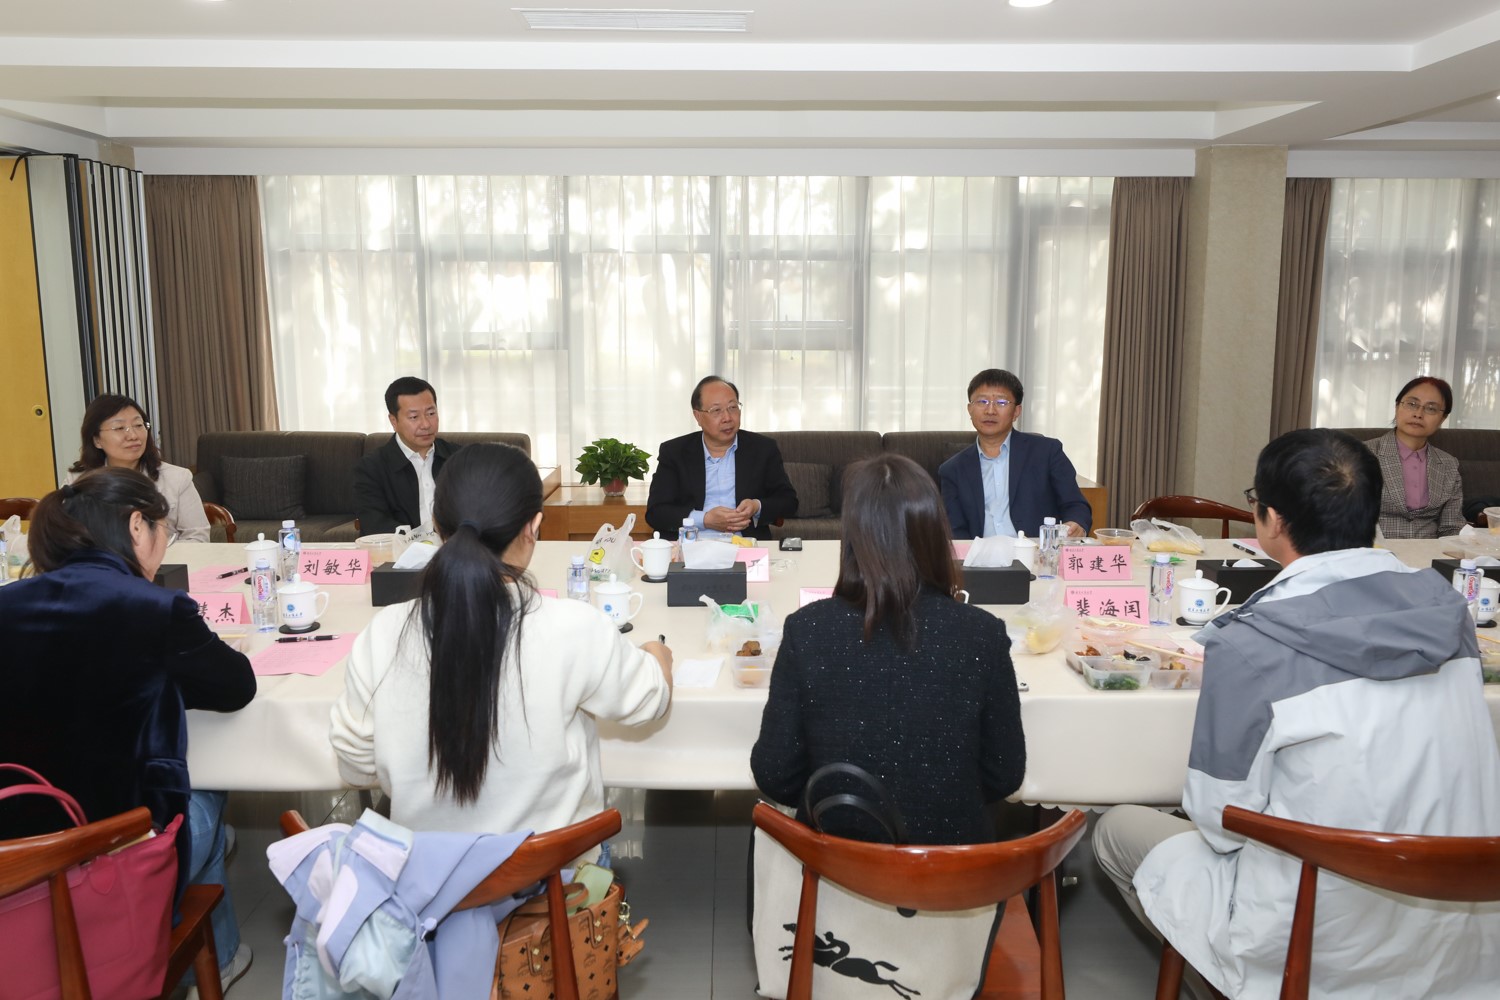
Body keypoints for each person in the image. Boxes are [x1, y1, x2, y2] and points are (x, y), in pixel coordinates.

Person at [1092, 428, 1500, 999]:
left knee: (1115, 830)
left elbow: (1219, 821)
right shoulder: (1450, 610)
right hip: (1459, 919)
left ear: (1272, 521)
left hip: (1313, 935)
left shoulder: (1250, 643)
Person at [331, 443, 673, 845]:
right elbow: (648, 702)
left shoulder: (385, 631)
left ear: (437, 526)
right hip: (554, 875)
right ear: (533, 526)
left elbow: (355, 767)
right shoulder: (574, 626)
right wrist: (658, 654)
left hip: (427, 876)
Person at [0, 469, 257, 992]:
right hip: (119, 854)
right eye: (165, 529)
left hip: (18, 857)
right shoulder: (155, 608)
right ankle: (215, 954)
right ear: (137, 526)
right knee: (209, 788)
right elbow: (236, 687)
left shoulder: (7, 603)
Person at [751, 454, 1025, 845]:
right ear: (935, 532)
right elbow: (1004, 775)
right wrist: (938, 802)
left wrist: (843, 806)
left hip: (838, 865)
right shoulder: (983, 633)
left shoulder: (807, 630)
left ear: (851, 535)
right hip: (955, 870)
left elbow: (776, 774)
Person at [938, 368, 1092, 540]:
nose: (990, 410)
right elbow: (955, 531)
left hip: (1037, 553)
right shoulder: (952, 470)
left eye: (1001, 402)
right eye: (982, 401)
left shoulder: (1047, 452)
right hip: (981, 555)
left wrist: (1076, 523)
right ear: (970, 409)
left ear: (1016, 412)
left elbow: (1075, 504)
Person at [645, 376, 798, 541]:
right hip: (690, 546)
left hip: (745, 545)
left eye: (733, 407)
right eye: (716, 410)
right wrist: (705, 520)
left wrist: (756, 506)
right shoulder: (675, 452)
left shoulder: (763, 449)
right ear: (698, 416)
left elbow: (789, 502)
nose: (727, 418)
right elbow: (656, 512)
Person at [66, 392, 210, 543]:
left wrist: (158, 554)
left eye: (138, 425)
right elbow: (66, 537)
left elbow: (198, 536)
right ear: (96, 440)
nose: (133, 436)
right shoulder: (78, 482)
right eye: (119, 428)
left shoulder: (177, 478)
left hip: (166, 558)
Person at [353, 376, 457, 534]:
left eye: (431, 413)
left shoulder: (459, 458)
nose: (426, 424)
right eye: (414, 417)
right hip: (401, 549)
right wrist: (421, 541)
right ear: (393, 421)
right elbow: (374, 524)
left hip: (457, 547)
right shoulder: (371, 468)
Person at [1366, 375, 1466, 538]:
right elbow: (1342, 518)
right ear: (1397, 406)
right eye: (1412, 404)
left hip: (1431, 550)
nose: (1418, 414)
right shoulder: (1360, 454)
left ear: (1443, 418)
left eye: (1431, 408)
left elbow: (1452, 527)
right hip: (1374, 547)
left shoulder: (1448, 463)